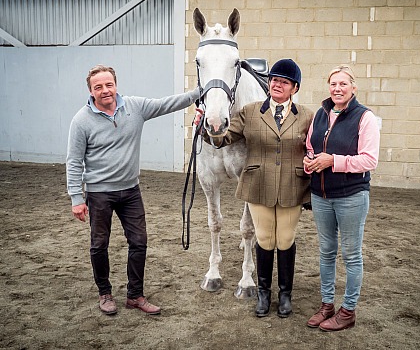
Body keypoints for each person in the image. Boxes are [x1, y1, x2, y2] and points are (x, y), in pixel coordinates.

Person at [66, 64, 200, 315]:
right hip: (99, 194)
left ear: (116, 85)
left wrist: (199, 92)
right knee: (99, 244)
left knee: (139, 242)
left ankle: (135, 295)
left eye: (109, 85)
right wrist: (76, 197)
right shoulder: (81, 121)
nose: (105, 90)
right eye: (98, 87)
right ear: (91, 91)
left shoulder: (135, 107)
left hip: (130, 191)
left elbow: (166, 104)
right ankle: (105, 293)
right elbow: (74, 161)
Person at [197, 59, 313, 318]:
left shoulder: (306, 115)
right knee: (263, 239)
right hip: (259, 186)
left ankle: (285, 294)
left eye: (284, 82)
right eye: (274, 80)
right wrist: (205, 126)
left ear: (295, 87)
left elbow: (314, 147)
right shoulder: (250, 112)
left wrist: (315, 182)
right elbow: (224, 137)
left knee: (285, 240)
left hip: (290, 188)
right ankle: (262, 292)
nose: (277, 85)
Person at [303, 65, 380, 331]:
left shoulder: (364, 117)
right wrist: (309, 162)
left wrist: (332, 161)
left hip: (351, 196)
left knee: (351, 255)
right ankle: (327, 305)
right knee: (326, 252)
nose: (337, 88)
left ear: (353, 88)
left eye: (343, 84)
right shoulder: (321, 114)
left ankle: (348, 310)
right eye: (333, 84)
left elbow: (370, 160)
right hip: (321, 196)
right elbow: (311, 147)